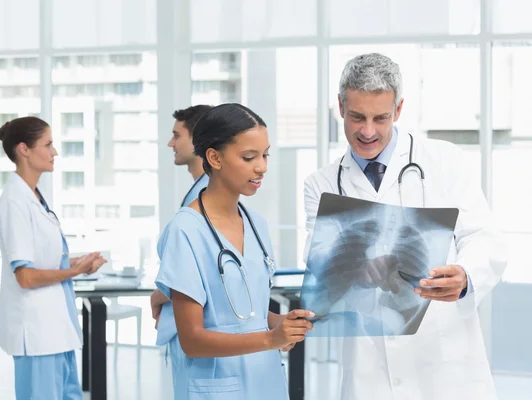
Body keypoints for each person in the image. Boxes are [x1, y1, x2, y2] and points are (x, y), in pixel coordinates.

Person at [303, 53, 507, 400]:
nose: (368, 131)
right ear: (340, 106)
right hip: (369, 365)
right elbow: (317, 257)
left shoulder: (445, 161)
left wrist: (465, 276)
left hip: (443, 359)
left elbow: (482, 236)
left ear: (398, 110)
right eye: (357, 117)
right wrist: (352, 270)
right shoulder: (321, 184)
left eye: (380, 118)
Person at [155, 103, 314, 399]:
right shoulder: (186, 230)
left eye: (265, 155)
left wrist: (280, 323)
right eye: (249, 157)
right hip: (217, 386)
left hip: (265, 380)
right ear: (214, 157)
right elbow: (192, 340)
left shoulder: (257, 225)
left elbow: (244, 313)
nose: (262, 167)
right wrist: (269, 338)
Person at [0, 116, 107, 400]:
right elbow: (26, 276)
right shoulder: (15, 203)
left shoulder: (34, 197)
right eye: (48, 144)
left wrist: (78, 263)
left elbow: (42, 260)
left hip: (56, 331)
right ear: (24, 149)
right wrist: (74, 271)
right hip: (36, 334)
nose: (54, 151)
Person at [151, 104, 212, 328]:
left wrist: (159, 295)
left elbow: (199, 268)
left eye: (177, 136)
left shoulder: (206, 197)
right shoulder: (199, 192)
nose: (171, 143)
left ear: (198, 140)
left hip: (197, 319)